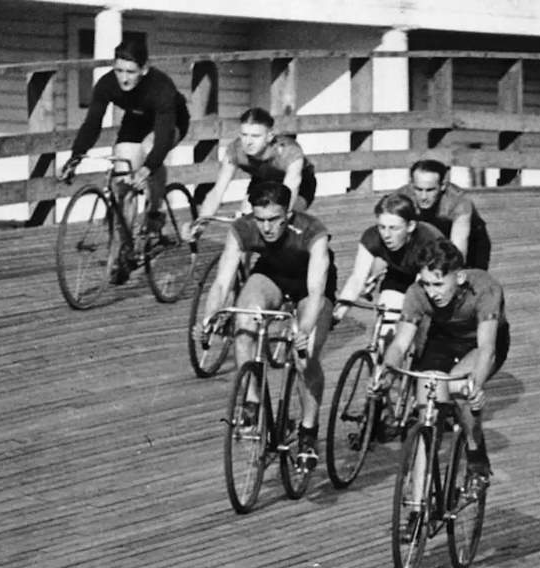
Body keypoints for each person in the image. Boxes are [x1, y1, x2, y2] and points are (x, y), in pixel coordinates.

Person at [204, 181, 336, 468]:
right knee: (243, 319)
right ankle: (252, 402)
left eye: (274, 220)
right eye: (260, 220)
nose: (266, 228)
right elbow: (222, 281)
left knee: (305, 358)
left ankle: (308, 431)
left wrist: (304, 330)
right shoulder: (244, 228)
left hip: (309, 286)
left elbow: (315, 293)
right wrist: (209, 317)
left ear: (288, 215)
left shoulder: (313, 232)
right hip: (272, 275)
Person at [380, 238, 510, 491]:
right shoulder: (416, 293)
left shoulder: (485, 288)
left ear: (459, 277)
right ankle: (419, 502)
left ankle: (475, 457)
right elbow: (399, 344)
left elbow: (486, 349)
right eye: (427, 284)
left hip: (480, 343)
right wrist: (387, 372)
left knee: (461, 388)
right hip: (443, 340)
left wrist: (477, 386)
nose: (432, 292)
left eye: (439, 284)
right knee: (427, 408)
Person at [61, 36, 190, 284]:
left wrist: (147, 169)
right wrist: (75, 157)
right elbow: (92, 123)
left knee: (151, 150)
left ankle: (154, 214)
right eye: (119, 70)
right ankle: (125, 248)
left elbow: (163, 140)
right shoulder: (107, 84)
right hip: (135, 120)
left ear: (144, 69)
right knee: (123, 180)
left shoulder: (161, 87)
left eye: (131, 72)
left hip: (170, 122)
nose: (124, 78)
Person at [187, 107, 316, 240]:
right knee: (245, 227)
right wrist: (200, 225)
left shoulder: (289, 152)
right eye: (244, 135)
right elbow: (217, 191)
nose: (248, 142)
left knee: (281, 225)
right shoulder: (235, 150)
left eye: (255, 136)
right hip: (263, 180)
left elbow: (289, 193)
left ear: (269, 136)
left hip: (300, 186)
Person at [332, 191, 444, 325]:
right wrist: (337, 315)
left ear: (411, 226)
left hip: (433, 280)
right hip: (399, 274)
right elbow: (357, 279)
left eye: (394, 228)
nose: (386, 235)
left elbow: (425, 288)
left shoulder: (429, 240)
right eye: (382, 227)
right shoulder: (372, 237)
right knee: (386, 324)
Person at [396, 159, 492, 270]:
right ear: (411, 184)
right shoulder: (401, 197)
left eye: (430, 190)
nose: (423, 197)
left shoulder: (459, 201)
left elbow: (458, 252)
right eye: (418, 189)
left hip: (471, 239)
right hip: (428, 230)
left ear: (443, 186)